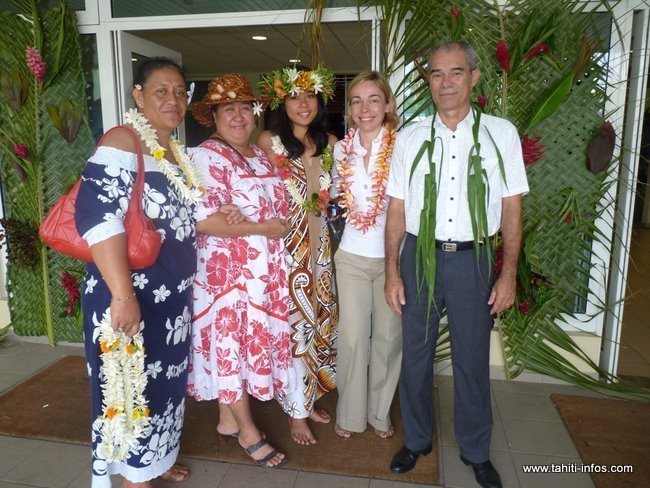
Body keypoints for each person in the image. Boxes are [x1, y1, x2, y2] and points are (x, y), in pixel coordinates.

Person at [384, 41, 529, 488]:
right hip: (419, 256)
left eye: (456, 72)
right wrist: (393, 270)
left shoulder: (500, 133)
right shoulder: (409, 136)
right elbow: (396, 208)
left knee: (470, 360)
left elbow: (511, 207)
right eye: (436, 74)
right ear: (427, 80)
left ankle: (476, 450)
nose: (445, 83)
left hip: (474, 260)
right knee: (416, 357)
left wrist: (506, 275)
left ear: (474, 76)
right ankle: (417, 440)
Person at [75, 57, 202, 487]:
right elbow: (97, 217)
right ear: (138, 95)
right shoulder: (123, 139)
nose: (173, 99)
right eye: (161, 90)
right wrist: (123, 295)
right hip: (130, 296)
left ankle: (153, 462)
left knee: (162, 389)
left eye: (180, 91)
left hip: (170, 303)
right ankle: (134, 477)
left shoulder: (172, 151)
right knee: (130, 390)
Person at [186, 73, 294, 468]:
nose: (238, 116)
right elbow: (204, 221)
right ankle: (248, 431)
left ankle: (226, 420)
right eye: (228, 109)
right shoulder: (204, 156)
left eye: (245, 108)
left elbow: (256, 205)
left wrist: (245, 216)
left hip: (259, 274)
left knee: (244, 350)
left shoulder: (257, 153)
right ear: (212, 115)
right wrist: (261, 227)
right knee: (230, 349)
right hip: (226, 277)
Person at [257, 66, 338, 445]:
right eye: (294, 96)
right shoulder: (268, 141)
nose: (303, 104)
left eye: (310, 95)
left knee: (321, 327)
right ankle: (294, 414)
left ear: (319, 100)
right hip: (285, 254)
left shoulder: (332, 143)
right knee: (295, 334)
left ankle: (309, 396)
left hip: (323, 254)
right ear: (282, 101)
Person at [331, 71, 402, 439]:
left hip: (394, 260)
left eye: (373, 99)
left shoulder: (403, 146)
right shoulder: (342, 149)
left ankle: (378, 414)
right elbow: (332, 197)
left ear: (387, 104)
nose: (365, 108)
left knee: (389, 340)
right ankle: (350, 415)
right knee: (354, 338)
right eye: (356, 101)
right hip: (352, 257)